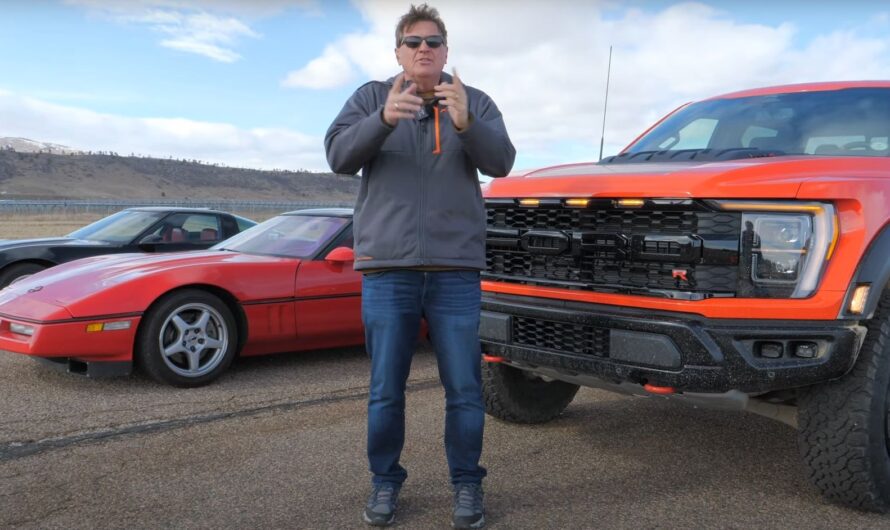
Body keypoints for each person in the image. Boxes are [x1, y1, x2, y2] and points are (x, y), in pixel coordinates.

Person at [324, 3, 515, 528]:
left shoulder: (473, 101)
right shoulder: (369, 97)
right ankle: (385, 483)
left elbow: (502, 162)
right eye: (414, 42)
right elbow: (339, 157)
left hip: (455, 270)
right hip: (389, 269)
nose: (424, 49)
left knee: (464, 388)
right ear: (398, 52)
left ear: (447, 50)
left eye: (434, 41)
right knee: (386, 388)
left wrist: (466, 124)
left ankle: (467, 486)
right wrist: (383, 119)